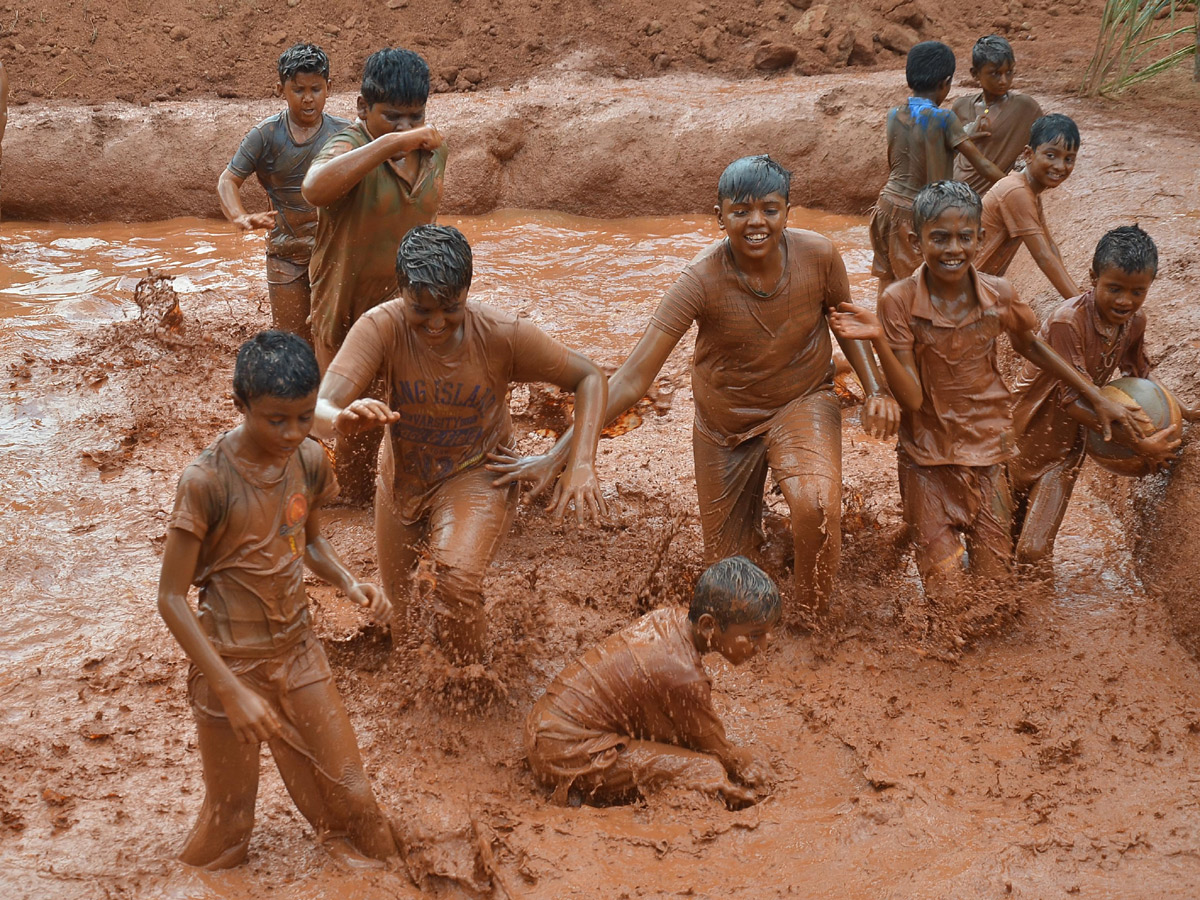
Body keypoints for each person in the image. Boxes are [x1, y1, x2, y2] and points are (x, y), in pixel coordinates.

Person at [492, 156, 899, 625]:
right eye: (740, 211)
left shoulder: (820, 255)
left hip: (802, 400)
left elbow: (846, 324)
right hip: (723, 428)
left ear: (788, 211)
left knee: (816, 506)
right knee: (730, 580)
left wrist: (874, 390)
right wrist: (563, 454)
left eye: (770, 209)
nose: (756, 222)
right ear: (719, 216)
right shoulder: (699, 280)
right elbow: (630, 378)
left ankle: (811, 618)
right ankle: (771, 541)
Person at [830, 182, 1142, 609]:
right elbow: (914, 399)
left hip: (990, 457)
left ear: (980, 238)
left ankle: (908, 534)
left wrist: (1096, 394)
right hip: (927, 460)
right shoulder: (897, 301)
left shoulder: (1000, 293)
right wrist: (881, 338)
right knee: (950, 602)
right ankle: (916, 530)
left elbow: (1030, 343)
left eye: (964, 237)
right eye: (939, 237)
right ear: (915, 241)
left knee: (995, 594)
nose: (952, 249)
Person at [157, 331, 398, 869]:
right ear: (240, 404)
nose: (292, 432)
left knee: (356, 798)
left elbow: (308, 539)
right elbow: (170, 598)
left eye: (304, 416)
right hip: (230, 663)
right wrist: (231, 691)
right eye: (276, 420)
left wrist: (348, 582)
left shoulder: (310, 459)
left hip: (298, 649)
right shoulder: (206, 481)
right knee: (231, 826)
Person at [314, 225, 608, 666]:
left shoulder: (501, 334)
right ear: (402, 293)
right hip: (403, 477)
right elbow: (318, 406)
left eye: (449, 309)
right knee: (402, 621)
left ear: (467, 291)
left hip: (478, 472)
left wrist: (578, 461)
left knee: (454, 582)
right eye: (421, 310)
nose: (435, 322)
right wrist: (339, 418)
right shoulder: (381, 326)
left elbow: (590, 377)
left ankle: (473, 686)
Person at [303, 47, 448, 504]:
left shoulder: (434, 152)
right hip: (344, 310)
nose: (405, 128)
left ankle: (408, 505)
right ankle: (349, 508)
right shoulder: (348, 144)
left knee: (417, 417)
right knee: (354, 431)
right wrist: (386, 145)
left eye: (414, 117)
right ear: (363, 109)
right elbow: (314, 188)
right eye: (391, 117)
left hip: (409, 312)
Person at [1009, 226, 1199, 567]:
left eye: (1137, 292)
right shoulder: (1068, 322)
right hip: (1019, 438)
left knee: (1033, 551)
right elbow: (1072, 397)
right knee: (1003, 541)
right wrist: (1140, 445)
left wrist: (1184, 410)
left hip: (1066, 449)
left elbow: (1138, 373)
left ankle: (1047, 617)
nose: (1125, 301)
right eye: (1114, 289)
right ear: (1093, 278)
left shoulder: (1135, 321)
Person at [525, 556, 780, 807]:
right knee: (705, 769)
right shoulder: (684, 676)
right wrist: (752, 767)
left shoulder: (670, 618)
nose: (764, 645)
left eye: (768, 633)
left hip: (542, 724)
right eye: (754, 635)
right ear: (707, 626)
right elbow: (721, 753)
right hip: (560, 753)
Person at [218, 44, 349, 342]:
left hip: (334, 256)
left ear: (329, 87)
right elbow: (228, 180)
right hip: (285, 255)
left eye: (316, 89)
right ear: (280, 89)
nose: (307, 99)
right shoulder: (266, 135)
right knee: (291, 343)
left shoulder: (345, 133)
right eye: (298, 89)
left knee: (336, 339)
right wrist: (239, 216)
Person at [870, 40, 1006, 295]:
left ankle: (880, 333)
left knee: (887, 281)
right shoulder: (945, 119)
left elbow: (916, 145)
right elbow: (983, 166)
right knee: (920, 288)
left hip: (885, 207)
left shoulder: (893, 115)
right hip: (917, 214)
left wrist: (963, 136)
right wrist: (1015, 183)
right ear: (946, 82)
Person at [976, 114, 1082, 299]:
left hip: (974, 285)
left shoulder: (1030, 192)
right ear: (1028, 155)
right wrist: (1079, 306)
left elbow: (1050, 247)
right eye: (1051, 155)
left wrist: (1079, 299)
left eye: (1069, 159)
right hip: (957, 286)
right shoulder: (1016, 191)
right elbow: (1043, 257)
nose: (1060, 166)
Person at [951, 34, 1043, 197]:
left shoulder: (1026, 108)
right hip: (954, 195)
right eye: (995, 73)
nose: (1003, 80)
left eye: (1009, 72)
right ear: (975, 74)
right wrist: (965, 136)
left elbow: (1044, 148)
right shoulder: (961, 106)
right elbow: (945, 151)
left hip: (994, 197)